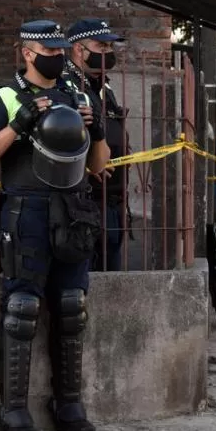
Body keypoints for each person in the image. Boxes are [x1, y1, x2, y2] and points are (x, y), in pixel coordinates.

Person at [0, 20, 110, 431]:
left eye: (64, 49)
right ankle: (12, 411)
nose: (60, 56)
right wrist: (18, 125)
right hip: (26, 211)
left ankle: (68, 405)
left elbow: (99, 166)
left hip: (73, 210)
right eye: (52, 50)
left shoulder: (78, 95)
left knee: (71, 307)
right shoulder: (5, 98)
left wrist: (97, 129)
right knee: (22, 309)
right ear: (28, 53)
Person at [65, 18, 129, 271]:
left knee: (110, 276)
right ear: (79, 49)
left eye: (109, 47)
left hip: (111, 201)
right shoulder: (66, 84)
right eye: (101, 46)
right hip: (84, 202)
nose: (108, 53)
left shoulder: (103, 86)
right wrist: (89, 167)